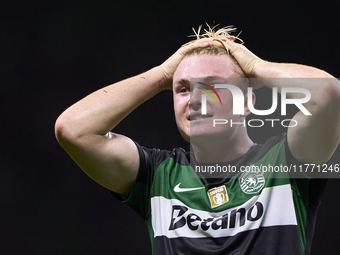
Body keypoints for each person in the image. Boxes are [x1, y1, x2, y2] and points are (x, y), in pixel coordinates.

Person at [55, 25, 340, 255]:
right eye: (182, 89)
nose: (194, 100)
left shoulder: (285, 162)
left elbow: (328, 94)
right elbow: (74, 129)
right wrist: (161, 75)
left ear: (247, 102)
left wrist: (254, 65)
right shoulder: (157, 175)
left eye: (214, 86)